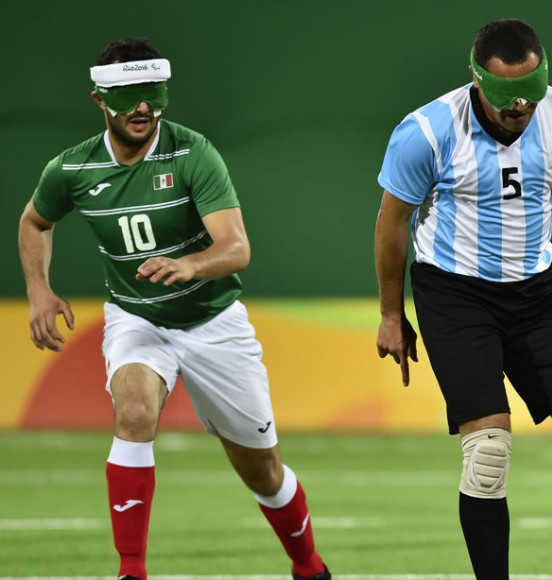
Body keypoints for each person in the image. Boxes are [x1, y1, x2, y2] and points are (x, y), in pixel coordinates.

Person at [18, 38, 331, 579]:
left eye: (152, 94)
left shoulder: (192, 152)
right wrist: (39, 290)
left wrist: (191, 264)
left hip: (214, 322)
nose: (143, 107)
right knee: (134, 414)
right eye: (130, 96)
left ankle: (308, 566)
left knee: (263, 471)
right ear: (100, 100)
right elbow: (34, 222)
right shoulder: (70, 170)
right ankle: (131, 572)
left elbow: (237, 249)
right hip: (137, 317)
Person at [374, 19, 552, 580]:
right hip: (455, 296)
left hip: (539, 292)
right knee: (489, 455)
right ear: (476, 79)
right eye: (506, 95)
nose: (521, 105)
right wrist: (389, 312)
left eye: (533, 88)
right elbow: (391, 225)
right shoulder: (425, 132)